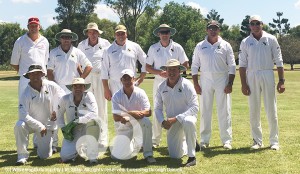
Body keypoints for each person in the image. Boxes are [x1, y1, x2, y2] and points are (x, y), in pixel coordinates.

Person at [239, 15, 285, 150]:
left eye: (257, 23)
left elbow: (279, 61)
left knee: (271, 108)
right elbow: (242, 65)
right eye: (252, 24)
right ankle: (257, 141)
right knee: (254, 109)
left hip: (267, 73)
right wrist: (243, 84)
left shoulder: (271, 39)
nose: (255, 26)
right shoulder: (245, 42)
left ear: (262, 24)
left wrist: (281, 81)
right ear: (249, 26)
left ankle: (274, 141)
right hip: (251, 75)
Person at [191, 20, 236, 150]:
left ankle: (226, 140)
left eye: (215, 28)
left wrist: (230, 83)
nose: (213, 30)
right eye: (210, 28)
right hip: (205, 79)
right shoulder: (200, 46)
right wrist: (196, 84)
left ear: (219, 30)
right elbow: (194, 66)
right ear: (207, 30)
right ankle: (204, 140)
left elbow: (232, 66)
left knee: (224, 110)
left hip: (222, 78)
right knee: (205, 110)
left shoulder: (226, 45)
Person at [146, 24, 189, 148]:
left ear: (170, 33)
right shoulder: (153, 48)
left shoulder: (178, 47)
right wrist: (160, 72)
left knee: (179, 109)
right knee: (157, 110)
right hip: (159, 82)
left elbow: (186, 64)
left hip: (176, 83)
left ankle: (183, 139)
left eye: (167, 32)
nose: (164, 34)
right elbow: (147, 67)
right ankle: (155, 140)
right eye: (162, 32)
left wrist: (174, 74)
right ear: (158, 34)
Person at [14, 64, 65, 165]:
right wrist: (39, 126)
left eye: (38, 73)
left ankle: (43, 146)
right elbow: (23, 115)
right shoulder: (25, 93)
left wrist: (56, 110)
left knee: (44, 156)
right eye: (32, 74)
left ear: (42, 74)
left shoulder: (51, 86)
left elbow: (63, 98)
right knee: (19, 125)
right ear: (28, 76)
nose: (35, 76)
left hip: (47, 126)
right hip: (32, 125)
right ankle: (22, 156)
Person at [155, 59, 199, 167]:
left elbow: (195, 107)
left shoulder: (187, 85)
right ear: (165, 71)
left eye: (174, 69)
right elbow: (157, 108)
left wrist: (177, 118)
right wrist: (162, 121)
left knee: (188, 122)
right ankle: (192, 142)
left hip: (187, 117)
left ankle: (192, 157)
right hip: (171, 122)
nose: (172, 72)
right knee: (175, 155)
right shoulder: (161, 87)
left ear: (179, 71)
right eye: (169, 69)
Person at [111, 69, 156, 163]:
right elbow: (115, 117)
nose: (127, 81)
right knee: (116, 156)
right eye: (124, 79)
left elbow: (148, 112)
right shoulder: (116, 95)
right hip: (125, 125)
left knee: (147, 122)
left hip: (139, 122)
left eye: (129, 78)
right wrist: (131, 113)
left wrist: (130, 114)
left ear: (134, 79)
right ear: (121, 80)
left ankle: (148, 154)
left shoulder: (141, 92)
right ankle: (133, 145)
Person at [78, 22, 111, 147]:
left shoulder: (106, 44)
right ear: (87, 33)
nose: (92, 34)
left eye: (95, 32)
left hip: (101, 78)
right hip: (86, 79)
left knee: (101, 108)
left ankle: (102, 139)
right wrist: (82, 77)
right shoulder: (81, 45)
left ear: (98, 33)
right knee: (86, 109)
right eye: (90, 32)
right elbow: (78, 62)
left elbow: (109, 61)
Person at [56, 78, 101, 163]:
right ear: (72, 88)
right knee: (65, 157)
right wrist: (64, 129)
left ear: (84, 88)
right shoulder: (65, 99)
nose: (78, 88)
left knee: (95, 123)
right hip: (72, 130)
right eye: (75, 86)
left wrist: (79, 120)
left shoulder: (89, 96)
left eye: (80, 86)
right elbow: (59, 115)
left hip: (87, 128)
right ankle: (79, 150)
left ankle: (92, 156)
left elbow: (94, 113)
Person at [101, 24, 147, 102]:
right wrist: (106, 89)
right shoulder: (108, 50)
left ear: (126, 34)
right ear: (115, 35)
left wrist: (141, 78)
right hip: (114, 84)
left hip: (131, 83)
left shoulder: (135, 46)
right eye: (118, 33)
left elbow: (145, 61)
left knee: (132, 109)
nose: (120, 36)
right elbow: (104, 71)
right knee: (117, 111)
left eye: (122, 33)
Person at [10, 17, 49, 101]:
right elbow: (14, 62)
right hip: (26, 79)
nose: (33, 28)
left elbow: (45, 61)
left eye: (35, 25)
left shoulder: (45, 41)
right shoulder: (20, 41)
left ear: (39, 27)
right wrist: (25, 72)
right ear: (28, 27)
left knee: (42, 104)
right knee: (24, 105)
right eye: (31, 26)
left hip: (41, 78)